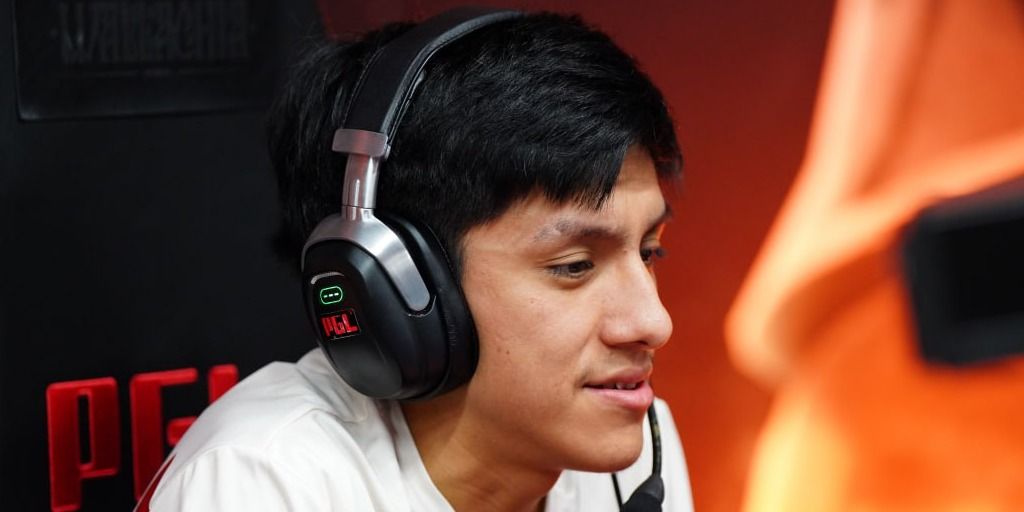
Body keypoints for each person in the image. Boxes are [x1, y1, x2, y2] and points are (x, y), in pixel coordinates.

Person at [140, 9, 693, 512]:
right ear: (401, 288)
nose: (653, 323)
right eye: (574, 265)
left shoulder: (636, 445)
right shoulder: (262, 479)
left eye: (649, 252)